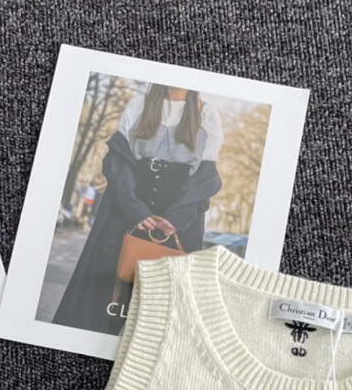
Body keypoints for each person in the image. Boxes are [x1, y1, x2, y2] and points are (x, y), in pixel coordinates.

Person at [52, 84, 224, 335]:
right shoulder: (139, 104)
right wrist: (134, 208)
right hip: (126, 204)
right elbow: (116, 160)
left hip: (179, 214)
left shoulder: (207, 115)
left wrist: (178, 217)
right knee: (102, 297)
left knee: (159, 308)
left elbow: (207, 176)